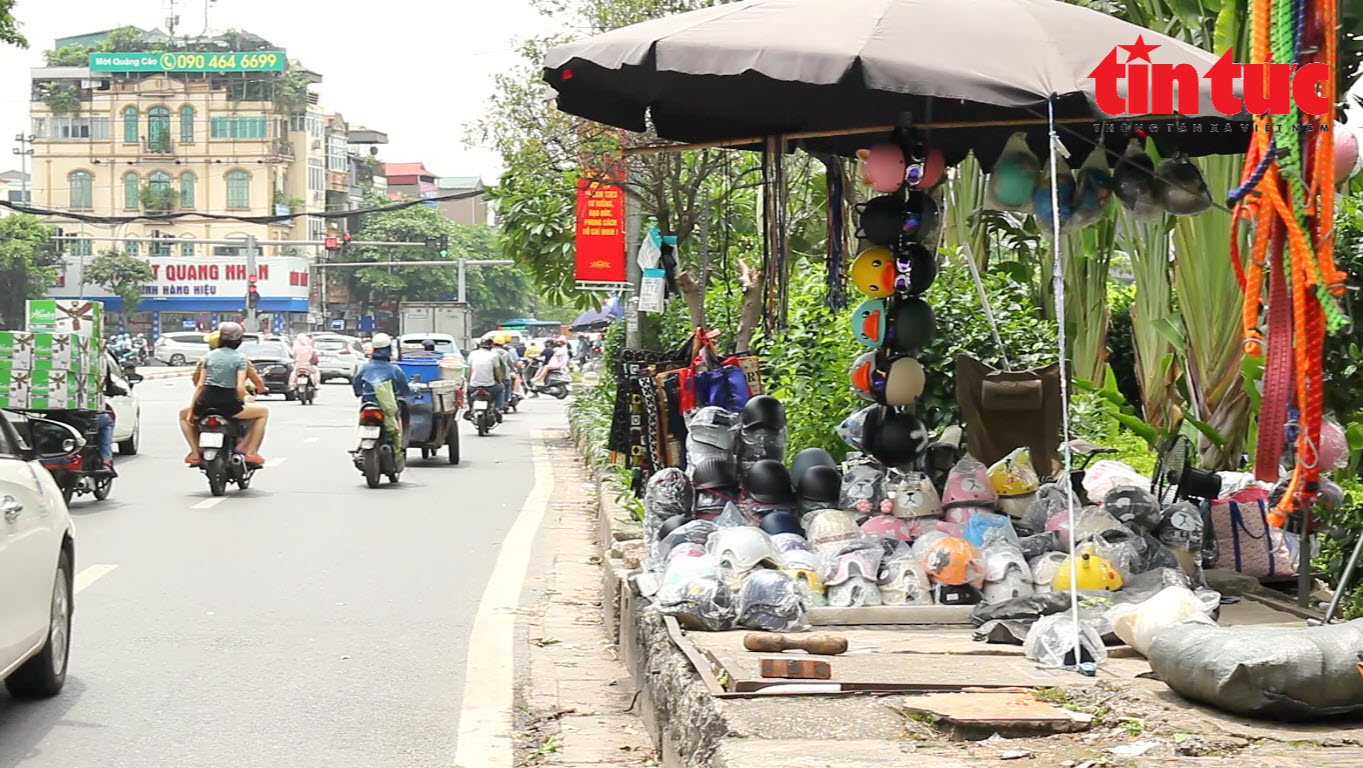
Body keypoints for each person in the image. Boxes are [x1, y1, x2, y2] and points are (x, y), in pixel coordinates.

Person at [180, 322, 270, 466]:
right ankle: (251, 452)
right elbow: (240, 388)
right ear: (239, 341)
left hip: (204, 403)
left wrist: (192, 409)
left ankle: (195, 453)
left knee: (182, 415)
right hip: (229, 406)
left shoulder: (208, 357)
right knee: (263, 412)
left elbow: (200, 385)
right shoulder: (240, 359)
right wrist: (248, 398)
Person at [352, 332, 412, 401]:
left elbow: (356, 381)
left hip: (368, 400)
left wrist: (359, 392)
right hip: (388, 403)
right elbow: (403, 386)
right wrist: (407, 393)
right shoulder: (394, 369)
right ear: (389, 349)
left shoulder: (365, 367)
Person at [465, 337, 506, 416]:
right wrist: (500, 382)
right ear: (491, 345)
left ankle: (470, 408)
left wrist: (468, 381)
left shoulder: (473, 354)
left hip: (474, 385)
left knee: (468, 391)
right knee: (501, 389)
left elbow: (469, 370)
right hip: (489, 385)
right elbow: (497, 371)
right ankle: (498, 407)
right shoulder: (494, 355)